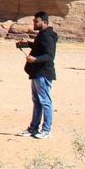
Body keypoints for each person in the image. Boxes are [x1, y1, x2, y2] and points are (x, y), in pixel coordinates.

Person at [17, 11, 59, 139]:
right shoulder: (42, 34)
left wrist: (35, 59)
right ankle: (33, 128)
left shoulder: (47, 35)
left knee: (45, 102)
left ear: (44, 22)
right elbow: (40, 48)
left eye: (36, 21)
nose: (34, 23)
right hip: (36, 72)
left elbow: (49, 55)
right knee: (37, 101)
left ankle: (46, 130)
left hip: (43, 73)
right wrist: (27, 44)